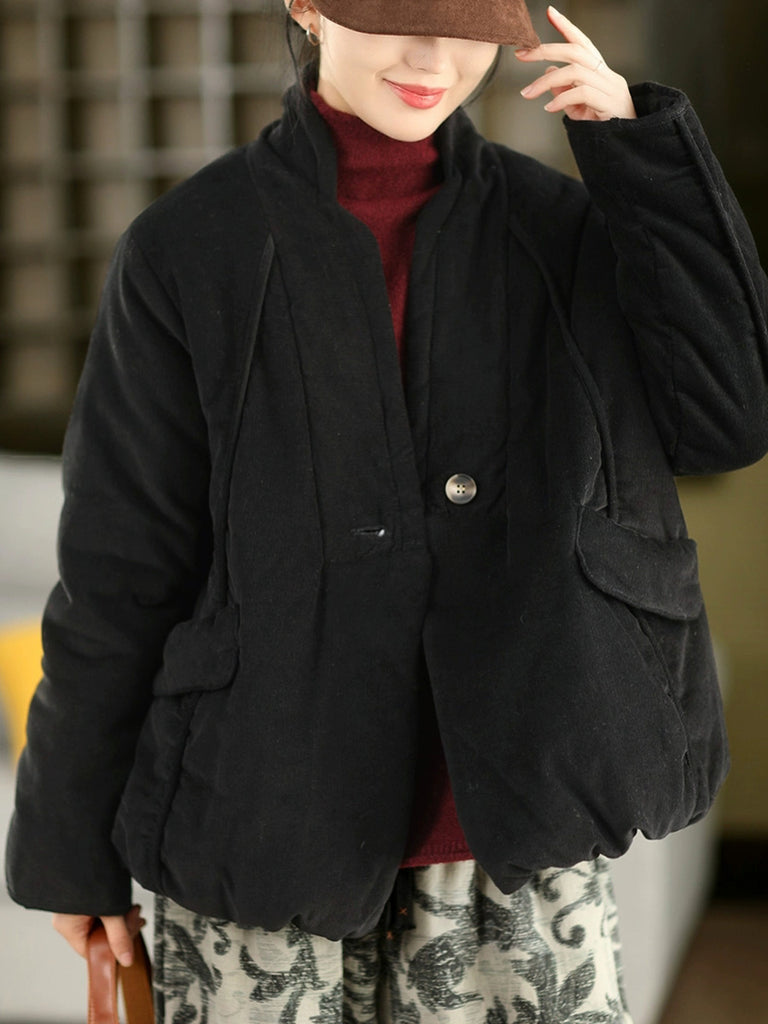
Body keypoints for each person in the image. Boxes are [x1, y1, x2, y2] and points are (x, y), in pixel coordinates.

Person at [6, 0, 768, 1020]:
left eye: (464, 22)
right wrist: (70, 849)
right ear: (308, 7)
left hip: (514, 839)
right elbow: (122, 569)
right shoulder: (189, 248)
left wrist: (641, 154)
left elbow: (727, 420)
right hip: (259, 838)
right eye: (395, 12)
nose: (430, 58)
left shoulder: (565, 227)